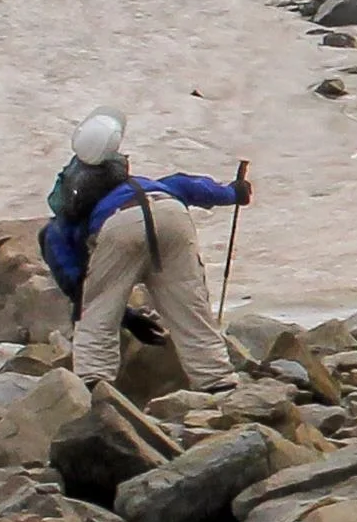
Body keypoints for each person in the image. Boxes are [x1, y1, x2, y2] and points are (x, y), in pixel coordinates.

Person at [40, 113, 241, 390]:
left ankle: (93, 383)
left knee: (98, 311)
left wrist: (125, 317)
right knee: (188, 304)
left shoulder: (59, 229)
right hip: (171, 212)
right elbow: (189, 185)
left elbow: (77, 286)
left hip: (120, 226)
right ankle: (218, 381)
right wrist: (232, 193)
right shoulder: (144, 184)